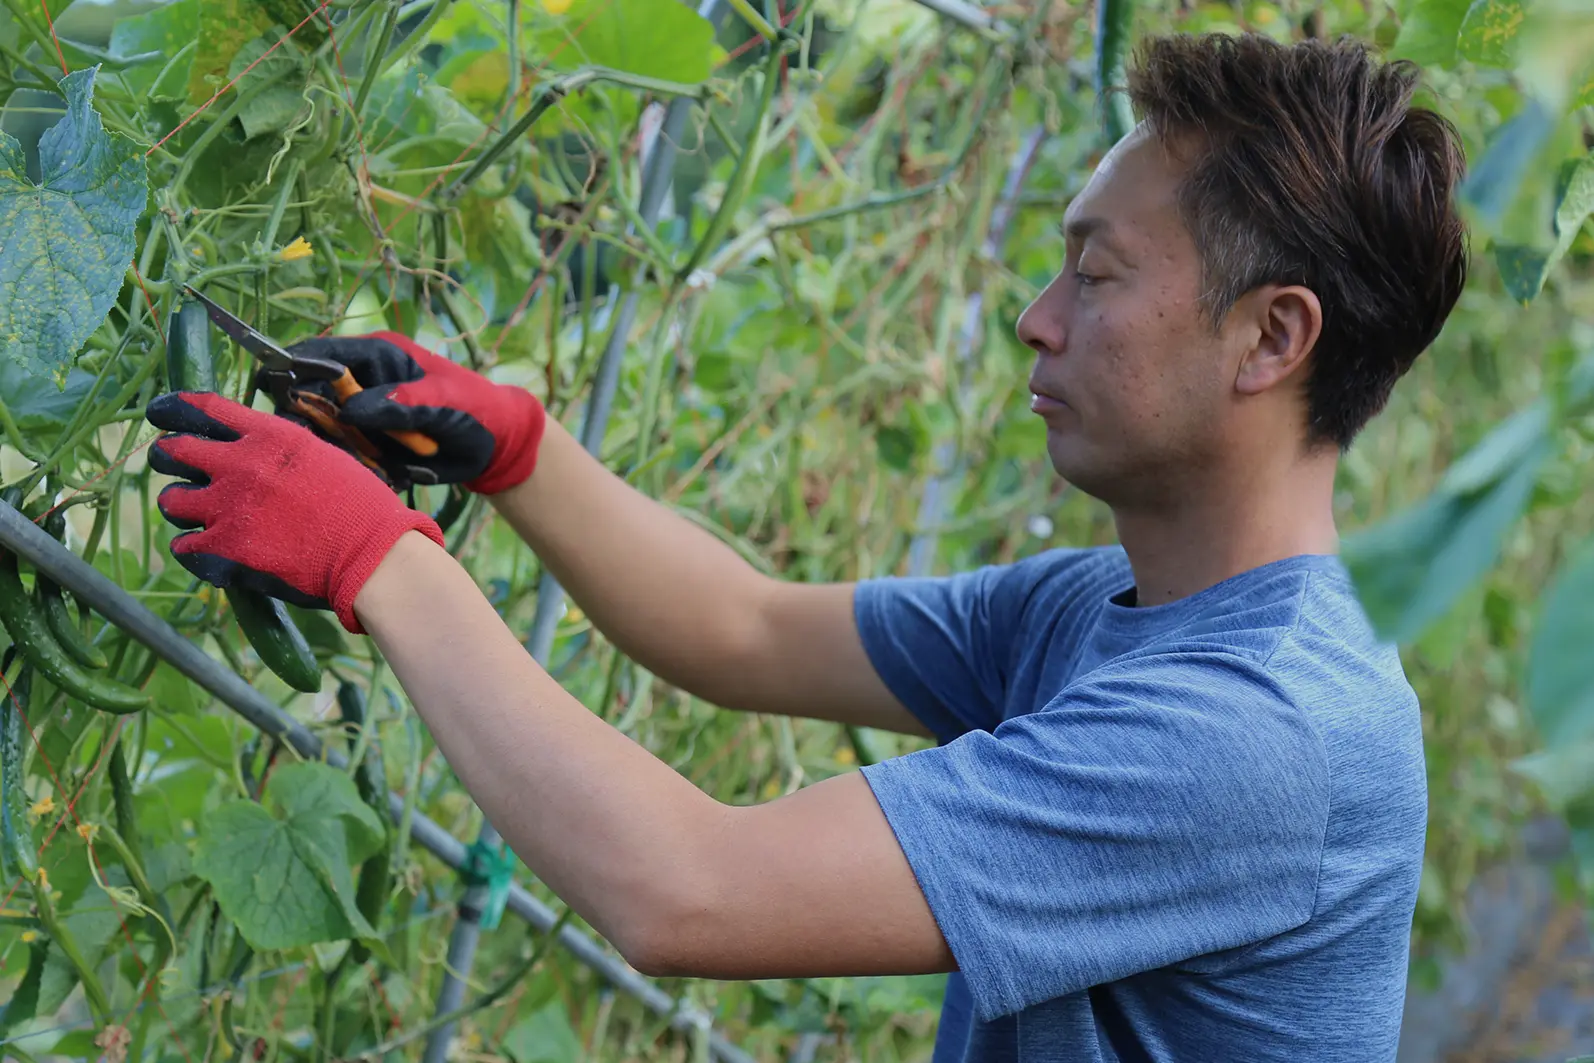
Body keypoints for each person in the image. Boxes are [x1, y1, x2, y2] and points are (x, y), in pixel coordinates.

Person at [144, 29, 1469, 1063]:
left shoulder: (1253, 732)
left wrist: (381, 558)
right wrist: (517, 450)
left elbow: (681, 890)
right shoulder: (1121, 605)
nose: (1033, 315)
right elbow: (744, 628)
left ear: (1271, 337)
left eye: (1097, 273)